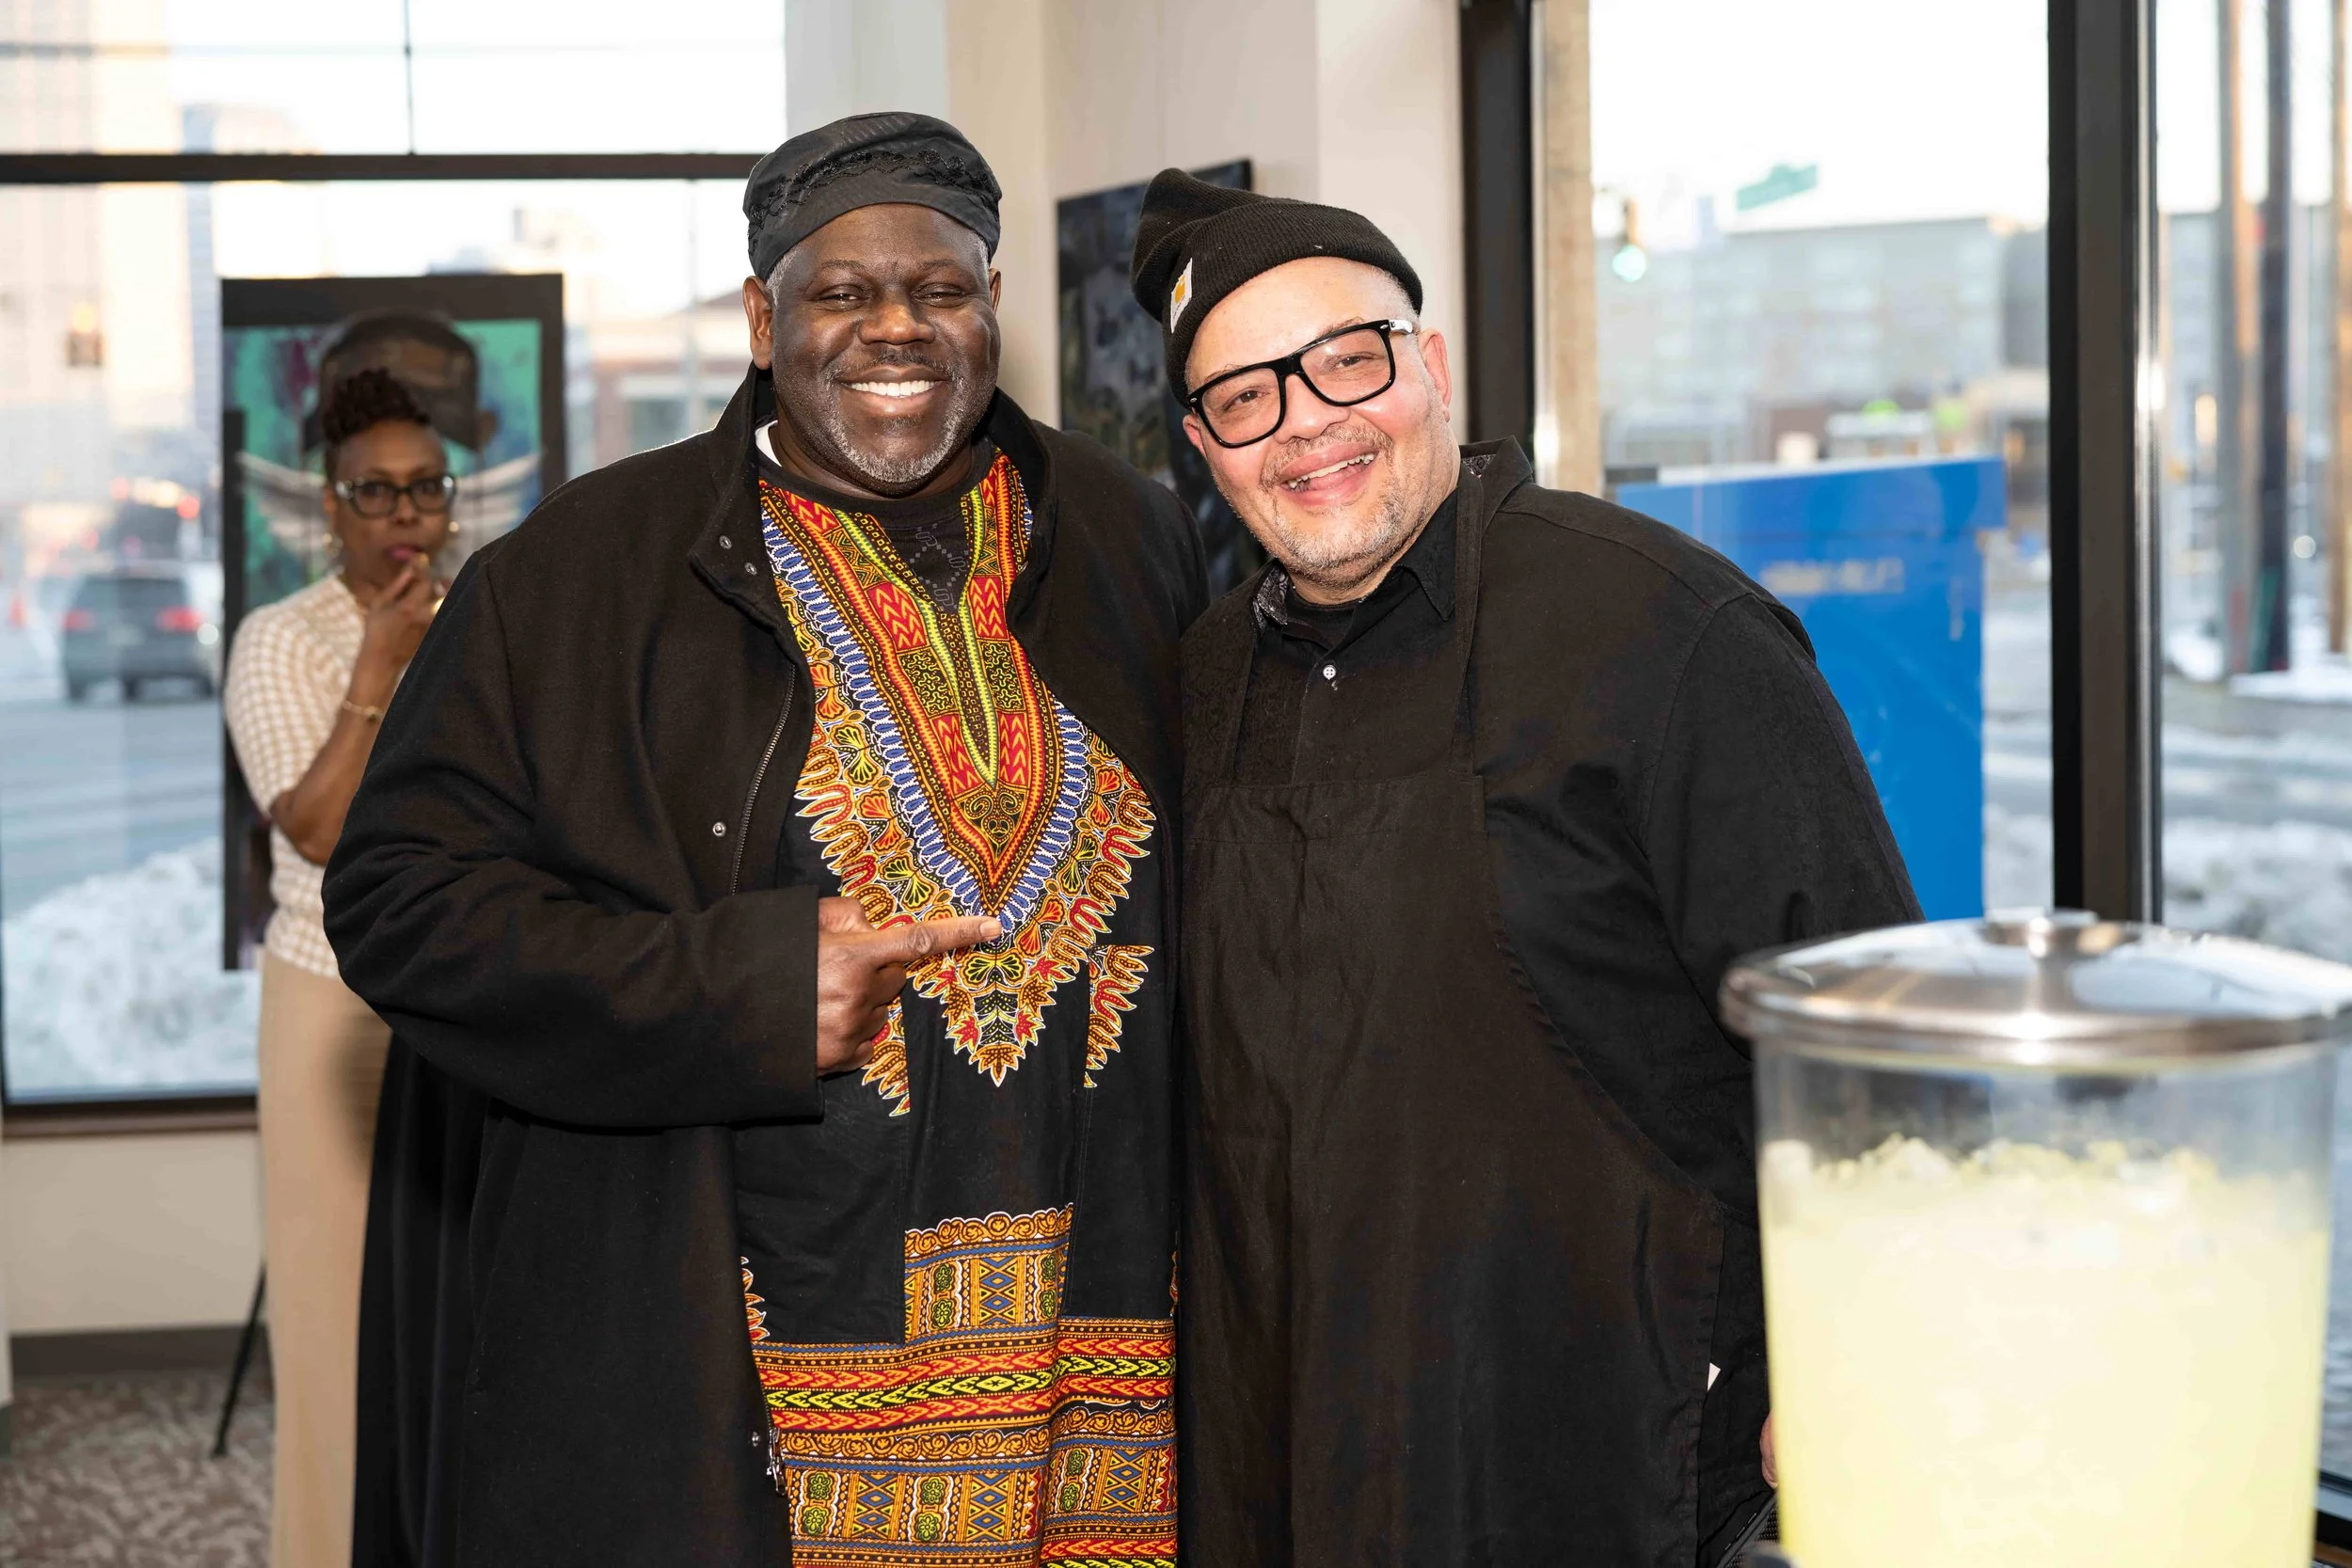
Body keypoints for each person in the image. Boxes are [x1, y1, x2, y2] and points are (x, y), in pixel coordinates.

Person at [326, 112, 1203, 1567]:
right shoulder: (579, 576)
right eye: (841, 291)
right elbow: (398, 902)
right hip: (756, 1367)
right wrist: (733, 988)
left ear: (992, 306)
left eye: (940, 287)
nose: (896, 326)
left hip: (1101, 1352)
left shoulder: (1126, 537)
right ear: (760, 319)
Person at [1133, 170, 1921, 1567]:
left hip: (1602, 1429)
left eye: (1346, 359)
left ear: (1430, 366)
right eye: (1246, 396)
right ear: (1205, 447)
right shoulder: (1199, 684)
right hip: (1284, 1445)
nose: (1305, 419)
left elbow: (1875, 1029)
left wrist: (1857, 1359)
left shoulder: (1664, 629)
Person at [221, 366, 452, 1568]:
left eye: (426, 487)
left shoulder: (482, 619)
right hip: (334, 1003)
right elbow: (314, 828)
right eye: (376, 490)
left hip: (463, 1000)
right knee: (333, 1318)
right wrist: (376, 664)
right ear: (331, 506)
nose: (405, 513)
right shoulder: (281, 638)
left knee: (458, 1316)